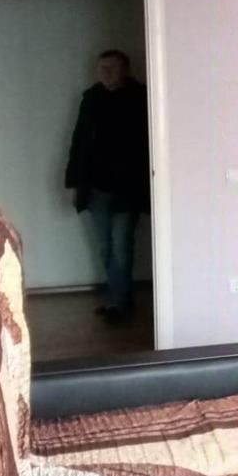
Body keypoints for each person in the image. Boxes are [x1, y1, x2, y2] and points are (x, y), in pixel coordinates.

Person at [65, 49, 150, 324]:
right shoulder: (91, 98)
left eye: (111, 68)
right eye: (101, 68)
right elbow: (79, 141)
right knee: (105, 246)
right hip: (96, 188)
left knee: (121, 245)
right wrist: (73, 182)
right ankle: (119, 297)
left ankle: (119, 302)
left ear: (125, 69)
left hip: (128, 188)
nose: (105, 73)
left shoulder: (141, 97)